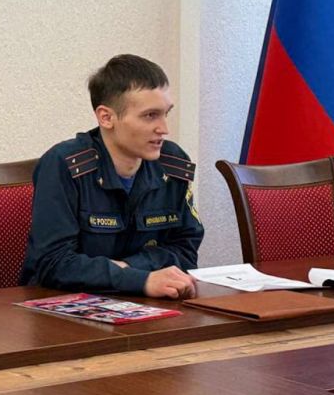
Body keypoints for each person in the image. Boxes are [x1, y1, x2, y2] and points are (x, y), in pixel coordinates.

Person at [20, 54, 203, 299]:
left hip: (149, 301)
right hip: (63, 305)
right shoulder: (65, 165)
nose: (164, 129)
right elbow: (53, 263)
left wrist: (129, 269)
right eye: (150, 115)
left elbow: (186, 250)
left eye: (165, 113)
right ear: (106, 117)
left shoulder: (172, 164)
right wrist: (139, 279)